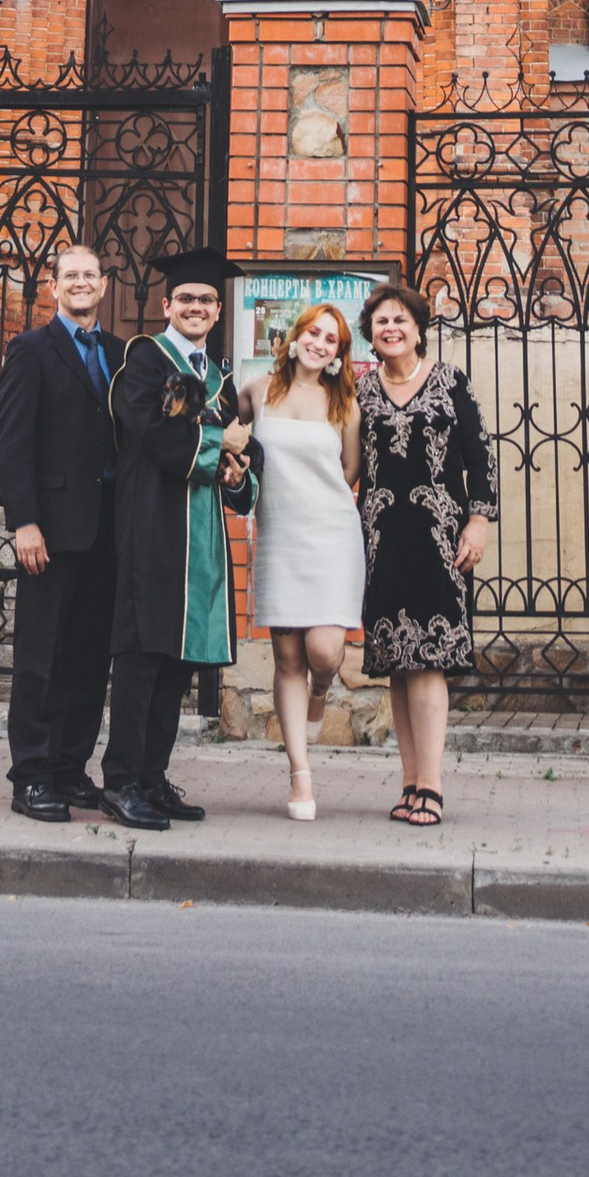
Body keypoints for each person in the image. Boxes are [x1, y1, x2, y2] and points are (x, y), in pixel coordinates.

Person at [100, 253, 259, 831]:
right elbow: (148, 432)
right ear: (167, 306)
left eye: (206, 301)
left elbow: (245, 458)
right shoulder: (144, 359)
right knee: (143, 654)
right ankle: (120, 780)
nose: (196, 308)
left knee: (177, 662)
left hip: (201, 541)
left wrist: (238, 474)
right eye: (186, 299)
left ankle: (152, 778)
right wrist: (222, 447)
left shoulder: (220, 377)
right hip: (151, 525)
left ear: (217, 311)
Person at [357, 280, 497, 830]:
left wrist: (479, 522)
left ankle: (433, 787)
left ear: (418, 329)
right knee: (397, 662)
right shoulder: (362, 391)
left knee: (428, 658)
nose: (391, 328)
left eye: (401, 320)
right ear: (370, 333)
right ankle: (410, 781)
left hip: (441, 539)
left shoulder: (449, 381)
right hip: (382, 539)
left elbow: (480, 456)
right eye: (381, 322)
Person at [0, 243, 123, 822]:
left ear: (103, 285)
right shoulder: (31, 350)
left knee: (90, 660)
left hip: (106, 531)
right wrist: (25, 522)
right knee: (40, 656)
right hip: (49, 531)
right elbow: (12, 441)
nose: (80, 283)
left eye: (89, 275)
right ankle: (31, 775)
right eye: (70, 275)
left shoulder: (119, 353)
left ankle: (70, 768)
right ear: (53, 286)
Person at [242, 297, 364, 822]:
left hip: (333, 537)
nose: (319, 343)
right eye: (312, 333)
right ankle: (300, 773)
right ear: (294, 338)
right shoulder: (257, 391)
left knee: (324, 653)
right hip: (280, 538)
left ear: (338, 354)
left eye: (330, 339)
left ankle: (322, 691)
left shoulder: (345, 406)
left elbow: (349, 472)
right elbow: (228, 440)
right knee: (288, 659)